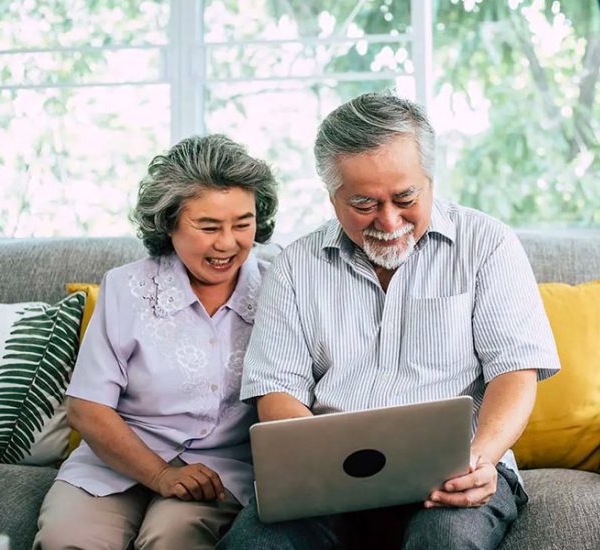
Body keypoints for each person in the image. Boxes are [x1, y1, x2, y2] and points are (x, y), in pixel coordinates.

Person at [218, 92, 562, 550]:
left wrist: (480, 459)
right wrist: (320, 466)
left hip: (457, 470)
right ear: (332, 196)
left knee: (444, 542)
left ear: (430, 180)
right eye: (364, 204)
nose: (389, 220)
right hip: (328, 482)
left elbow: (515, 373)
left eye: (405, 197)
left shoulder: (487, 244)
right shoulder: (295, 266)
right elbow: (278, 391)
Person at [33, 134, 279, 550]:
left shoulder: (280, 289)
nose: (227, 243)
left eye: (243, 224)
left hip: (220, 471)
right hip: (114, 460)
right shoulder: (125, 287)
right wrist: (161, 475)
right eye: (208, 227)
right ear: (168, 223)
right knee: (68, 538)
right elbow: (87, 407)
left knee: (172, 538)